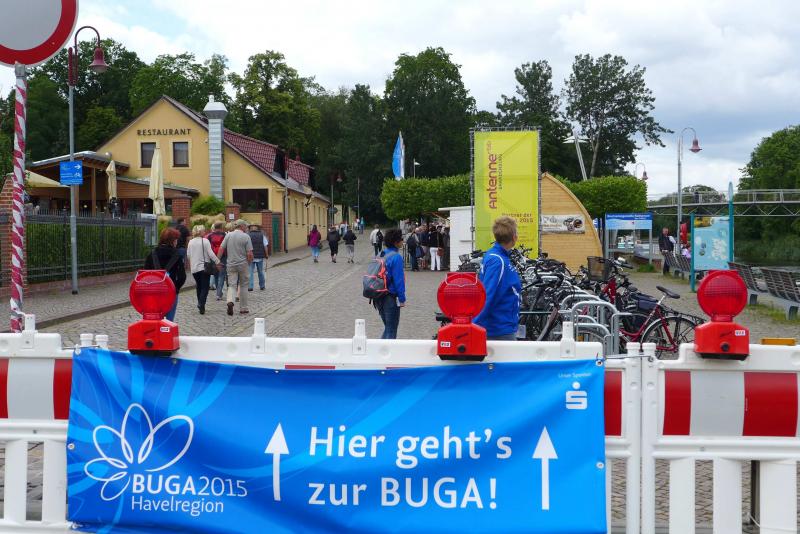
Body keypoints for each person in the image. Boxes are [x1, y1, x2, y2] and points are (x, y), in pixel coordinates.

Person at [473, 216, 522, 341]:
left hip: (502, 325)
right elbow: (488, 295)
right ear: (514, 237)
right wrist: (472, 326)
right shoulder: (498, 261)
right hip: (499, 328)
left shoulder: (496, 256)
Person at [144, 227, 186, 322]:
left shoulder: (152, 254)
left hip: (155, 292)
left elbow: (145, 274)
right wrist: (176, 288)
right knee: (169, 322)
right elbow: (182, 277)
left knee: (157, 319)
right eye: (176, 240)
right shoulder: (177, 255)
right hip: (171, 291)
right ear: (172, 241)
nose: (176, 242)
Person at [374, 228, 406, 339]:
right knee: (391, 329)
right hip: (390, 297)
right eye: (401, 239)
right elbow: (399, 280)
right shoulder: (396, 257)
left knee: (388, 327)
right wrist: (402, 298)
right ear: (396, 242)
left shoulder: (380, 254)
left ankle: (379, 348)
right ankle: (385, 350)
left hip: (378, 295)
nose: (402, 241)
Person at [219, 219, 253, 315]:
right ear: (242, 226)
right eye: (245, 226)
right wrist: (249, 262)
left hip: (231, 264)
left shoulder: (228, 235)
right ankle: (244, 308)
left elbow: (221, 248)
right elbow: (249, 253)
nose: (246, 228)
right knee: (244, 285)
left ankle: (230, 301)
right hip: (243, 264)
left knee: (232, 285)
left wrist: (217, 261)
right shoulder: (246, 236)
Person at [186, 225, 221, 315]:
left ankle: (200, 304)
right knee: (205, 287)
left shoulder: (191, 242)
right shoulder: (205, 241)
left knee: (199, 286)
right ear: (200, 232)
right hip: (204, 267)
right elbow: (211, 253)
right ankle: (201, 304)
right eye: (203, 231)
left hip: (194, 268)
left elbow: (188, 255)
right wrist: (218, 262)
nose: (205, 232)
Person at [206, 222, 227, 298]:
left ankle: (218, 293)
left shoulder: (209, 236)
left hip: (213, 256)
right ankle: (219, 293)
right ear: (221, 227)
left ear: (214, 227)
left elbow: (207, 247)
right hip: (223, 256)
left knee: (215, 274)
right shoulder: (224, 235)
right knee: (222, 275)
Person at [247, 224, 269, 291]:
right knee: (260, 272)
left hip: (250, 256)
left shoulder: (247, 235)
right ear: (257, 228)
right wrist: (266, 255)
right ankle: (262, 286)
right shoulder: (262, 235)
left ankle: (250, 286)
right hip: (259, 256)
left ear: (250, 228)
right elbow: (265, 246)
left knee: (250, 272)